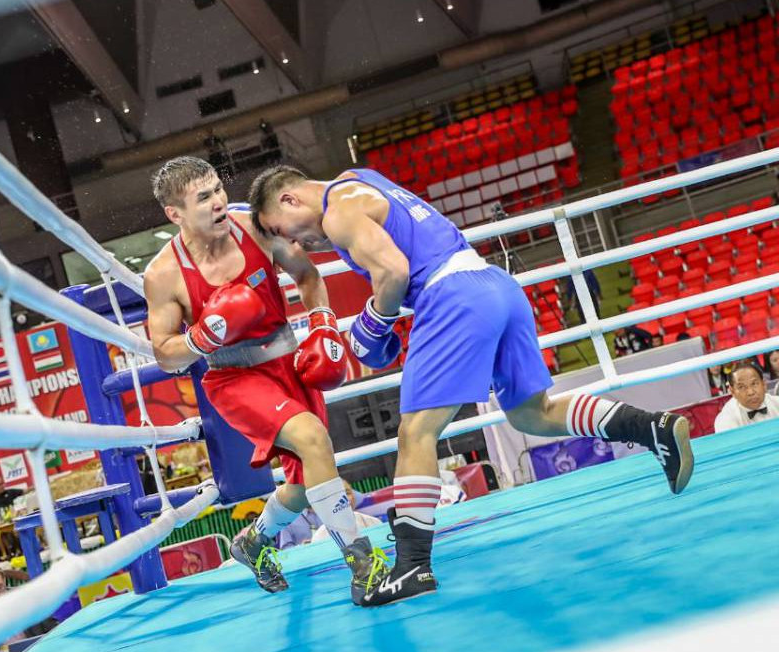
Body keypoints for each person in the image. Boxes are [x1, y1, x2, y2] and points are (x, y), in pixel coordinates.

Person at [248, 165, 695, 606]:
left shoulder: (336, 212)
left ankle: (412, 567)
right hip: (494, 285)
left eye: (280, 229)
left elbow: (394, 270)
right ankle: (650, 427)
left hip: (452, 296)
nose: (292, 243)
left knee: (415, 433)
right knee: (532, 413)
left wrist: (374, 323)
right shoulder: (357, 178)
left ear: (290, 200)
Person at [144, 156, 379, 603]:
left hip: (291, 361)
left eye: (217, 189)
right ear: (175, 214)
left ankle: (253, 541)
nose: (218, 202)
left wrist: (324, 321)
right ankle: (363, 564)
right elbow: (164, 353)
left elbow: (307, 275)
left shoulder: (253, 228)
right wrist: (200, 336)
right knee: (311, 439)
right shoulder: (164, 273)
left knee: (307, 479)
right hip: (233, 376)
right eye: (203, 198)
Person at [714, 362, 779, 432]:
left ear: (764, 384)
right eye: (741, 387)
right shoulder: (725, 420)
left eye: (754, 384)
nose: (750, 392)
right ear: (732, 391)